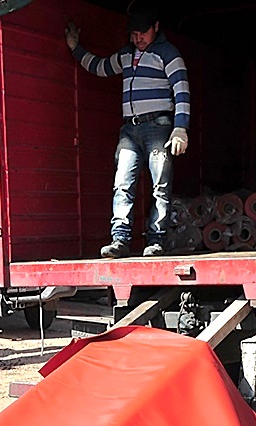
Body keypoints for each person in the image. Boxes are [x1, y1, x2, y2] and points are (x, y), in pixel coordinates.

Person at [65, 2, 190, 258]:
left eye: (143, 33)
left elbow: (182, 91)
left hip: (159, 126)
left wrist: (180, 129)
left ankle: (156, 241)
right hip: (130, 130)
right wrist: (75, 48)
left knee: (160, 186)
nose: (138, 38)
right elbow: (99, 67)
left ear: (156, 27)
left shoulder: (168, 54)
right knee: (122, 183)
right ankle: (120, 240)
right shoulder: (126, 55)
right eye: (134, 34)